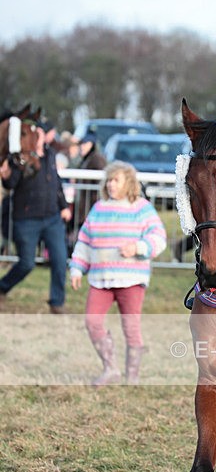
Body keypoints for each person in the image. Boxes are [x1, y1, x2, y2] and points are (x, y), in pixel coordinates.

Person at [70, 161, 167, 385]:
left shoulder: (141, 208)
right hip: (100, 279)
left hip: (131, 278)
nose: (111, 185)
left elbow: (159, 237)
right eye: (109, 180)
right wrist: (77, 268)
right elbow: (84, 241)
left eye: (116, 180)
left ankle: (132, 376)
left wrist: (138, 248)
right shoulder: (99, 208)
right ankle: (110, 368)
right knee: (92, 321)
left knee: (130, 326)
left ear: (129, 183)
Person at [0, 120, 71, 313]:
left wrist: (64, 206)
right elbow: (11, 184)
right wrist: (6, 176)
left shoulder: (50, 155)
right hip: (27, 218)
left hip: (52, 217)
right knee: (26, 263)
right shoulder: (20, 157)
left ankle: (57, 302)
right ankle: (2, 287)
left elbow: (56, 184)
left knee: (59, 259)